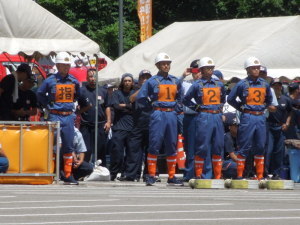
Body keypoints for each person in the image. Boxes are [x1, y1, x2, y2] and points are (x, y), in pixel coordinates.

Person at [137, 52, 184, 186]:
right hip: (158, 113)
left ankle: (171, 175)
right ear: (157, 65)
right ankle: (151, 174)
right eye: (163, 64)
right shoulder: (152, 81)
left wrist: (177, 108)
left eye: (168, 64)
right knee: (155, 143)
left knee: (171, 144)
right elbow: (141, 97)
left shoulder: (175, 80)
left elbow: (180, 96)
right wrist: (151, 106)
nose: (166, 66)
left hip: (171, 114)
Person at [37, 52, 81, 185]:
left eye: (68, 65)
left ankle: (68, 174)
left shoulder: (74, 81)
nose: (66, 68)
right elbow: (39, 93)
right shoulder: (49, 80)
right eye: (63, 65)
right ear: (57, 65)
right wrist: (48, 105)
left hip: (68, 116)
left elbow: (78, 94)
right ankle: (49, 172)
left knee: (68, 146)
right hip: (54, 115)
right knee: (50, 145)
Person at [227, 57, 273, 180]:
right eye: (253, 68)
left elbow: (269, 99)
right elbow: (230, 98)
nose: (256, 70)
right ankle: (240, 174)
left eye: (258, 68)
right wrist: (241, 108)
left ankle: (259, 175)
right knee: (244, 145)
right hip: (248, 116)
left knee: (260, 146)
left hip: (260, 117)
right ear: (247, 70)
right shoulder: (242, 84)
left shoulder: (265, 84)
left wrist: (263, 107)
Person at [183, 57, 225, 180]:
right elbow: (186, 99)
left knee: (218, 145)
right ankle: (199, 175)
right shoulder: (197, 84)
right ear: (202, 69)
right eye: (208, 68)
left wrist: (219, 108)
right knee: (202, 146)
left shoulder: (219, 84)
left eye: (212, 68)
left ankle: (217, 176)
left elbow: (223, 99)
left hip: (216, 115)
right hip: (204, 115)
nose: (211, 70)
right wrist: (197, 108)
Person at [118, 70, 152, 181]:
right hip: (137, 124)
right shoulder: (136, 90)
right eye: (143, 78)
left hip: (151, 123)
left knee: (150, 151)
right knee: (134, 150)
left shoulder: (154, 90)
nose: (145, 80)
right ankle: (131, 174)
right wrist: (144, 88)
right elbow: (131, 99)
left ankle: (149, 174)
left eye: (147, 78)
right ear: (139, 80)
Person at [77, 68, 111, 164]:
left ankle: (102, 171)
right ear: (87, 78)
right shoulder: (81, 91)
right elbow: (77, 110)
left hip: (100, 125)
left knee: (101, 150)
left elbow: (107, 107)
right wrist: (86, 108)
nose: (93, 78)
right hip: (86, 125)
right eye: (91, 76)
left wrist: (108, 122)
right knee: (86, 149)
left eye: (95, 76)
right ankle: (84, 171)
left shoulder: (103, 91)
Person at [109, 73, 135, 181]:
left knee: (131, 153)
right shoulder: (117, 93)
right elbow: (115, 106)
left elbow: (136, 107)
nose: (127, 82)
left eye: (129, 81)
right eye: (125, 81)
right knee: (117, 152)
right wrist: (129, 106)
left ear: (132, 82)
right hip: (119, 127)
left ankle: (127, 174)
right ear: (122, 82)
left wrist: (124, 106)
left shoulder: (135, 93)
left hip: (132, 127)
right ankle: (113, 173)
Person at [265, 78, 293, 179]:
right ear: (271, 87)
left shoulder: (286, 99)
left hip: (280, 127)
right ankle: (266, 172)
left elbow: (290, 111)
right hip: (269, 126)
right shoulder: (268, 99)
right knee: (268, 150)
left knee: (279, 151)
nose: (277, 87)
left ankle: (276, 173)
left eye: (279, 85)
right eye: (275, 85)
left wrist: (287, 123)